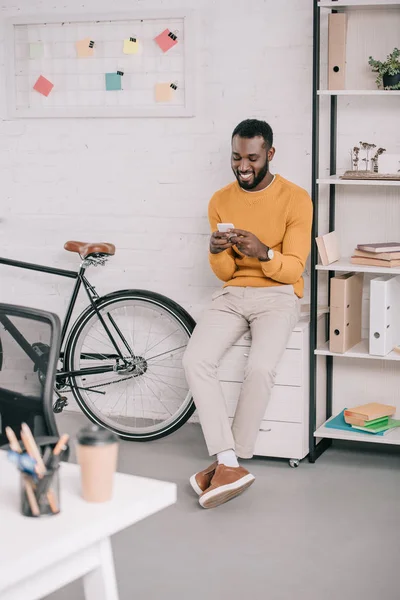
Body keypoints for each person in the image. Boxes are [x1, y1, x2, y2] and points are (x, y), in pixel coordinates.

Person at [182, 119, 313, 509]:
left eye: (252, 158)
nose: (243, 166)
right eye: (237, 157)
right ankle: (228, 461)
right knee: (195, 359)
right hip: (233, 293)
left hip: (279, 295)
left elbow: (294, 269)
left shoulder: (296, 198)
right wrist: (216, 250)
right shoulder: (220, 200)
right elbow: (224, 274)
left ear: (269, 154)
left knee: (259, 368)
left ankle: (229, 461)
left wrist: (264, 252)